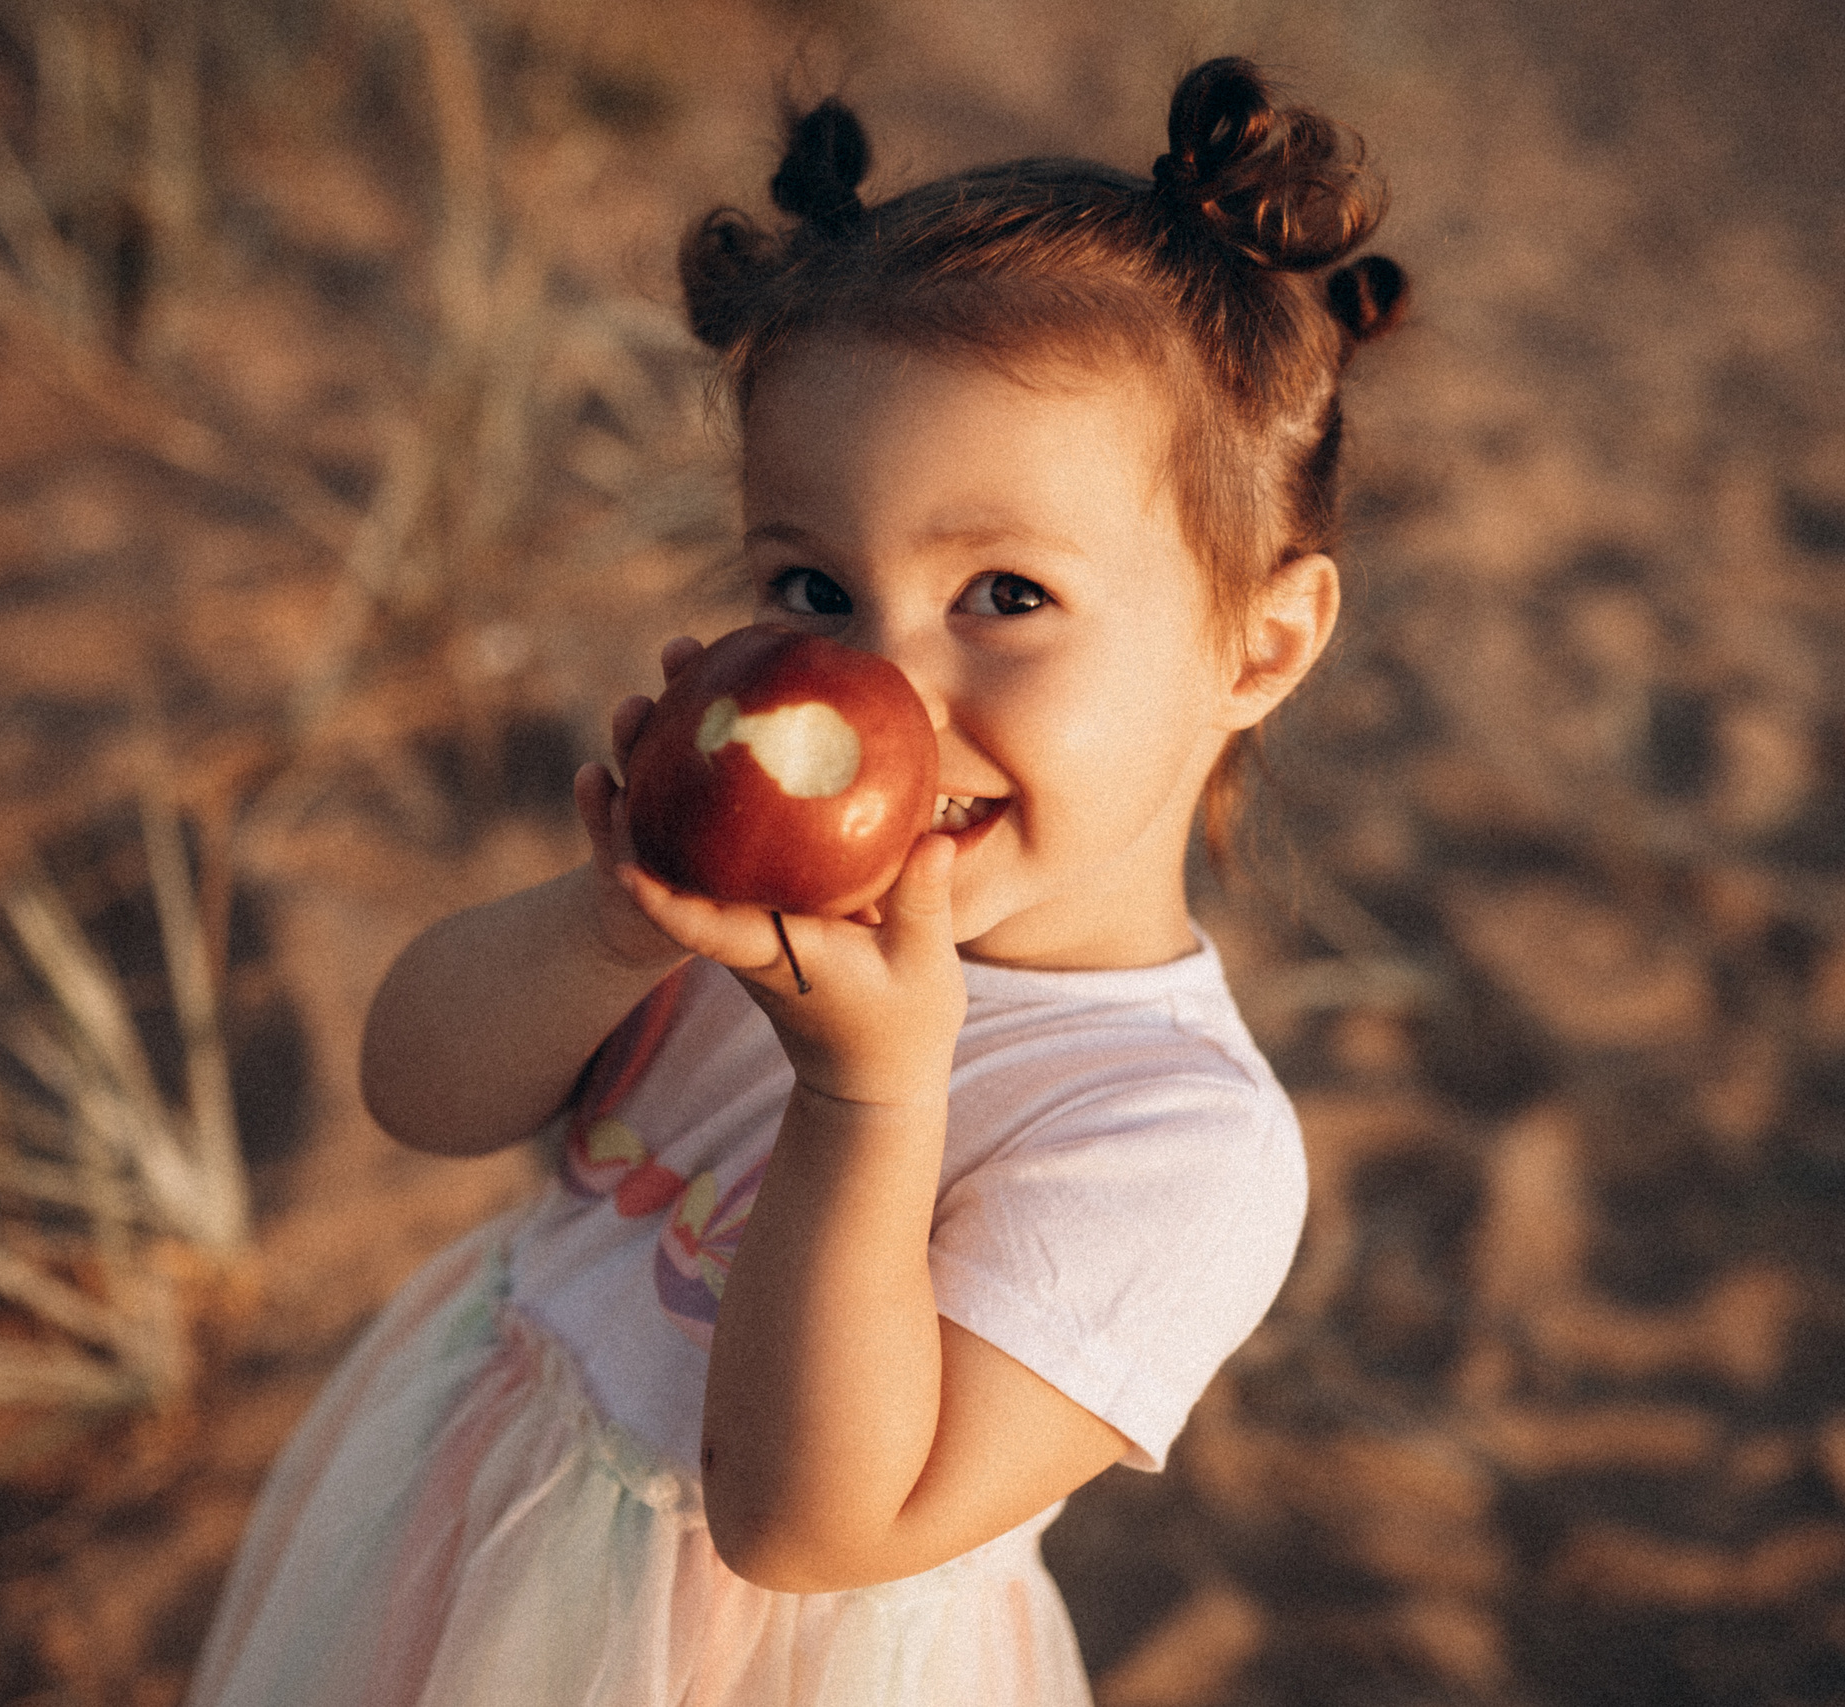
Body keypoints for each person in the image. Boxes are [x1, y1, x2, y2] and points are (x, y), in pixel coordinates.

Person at [185, 55, 1407, 1707]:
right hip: (456, 1564)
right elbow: (414, 1089)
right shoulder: (750, 905)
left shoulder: (1174, 1141)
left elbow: (805, 1523)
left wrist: (872, 1101)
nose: (882, 682)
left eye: (1006, 594)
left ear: (1260, 643)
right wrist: (608, 923)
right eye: (815, 583)